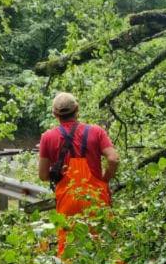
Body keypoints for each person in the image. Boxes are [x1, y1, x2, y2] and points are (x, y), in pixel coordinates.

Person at [37, 93, 119, 255]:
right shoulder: (96, 132)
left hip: (68, 201)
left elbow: (43, 175)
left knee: (70, 249)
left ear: (55, 114)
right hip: (96, 198)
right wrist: (104, 180)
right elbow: (114, 159)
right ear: (77, 110)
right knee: (105, 247)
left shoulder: (47, 137)